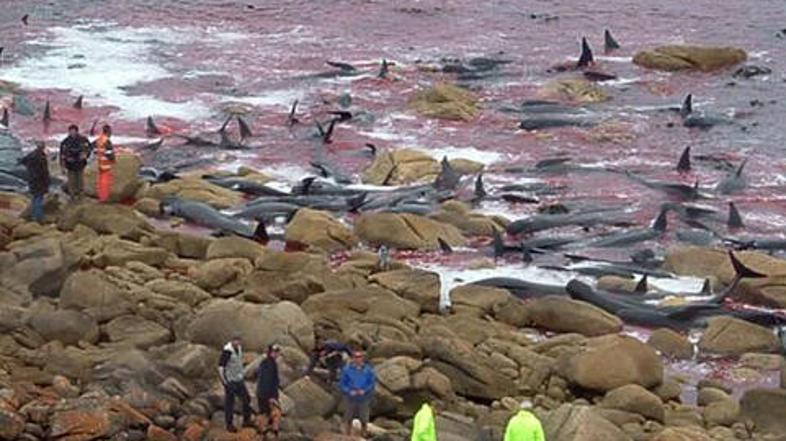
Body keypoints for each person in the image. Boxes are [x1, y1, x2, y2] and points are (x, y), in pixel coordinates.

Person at [218, 335, 253, 432]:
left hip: (239, 379)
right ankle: (229, 425)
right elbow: (221, 367)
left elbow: (239, 361)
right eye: (236, 341)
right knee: (230, 403)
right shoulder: (227, 351)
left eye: (239, 341)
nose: (237, 343)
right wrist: (224, 381)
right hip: (230, 381)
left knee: (247, 398)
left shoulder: (239, 348)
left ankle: (247, 420)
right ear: (232, 341)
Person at [339, 350, 376, 437]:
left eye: (359, 357)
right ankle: (347, 434)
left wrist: (365, 390)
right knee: (348, 417)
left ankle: (364, 433)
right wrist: (349, 391)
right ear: (353, 358)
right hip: (351, 397)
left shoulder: (368, 370)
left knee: (364, 417)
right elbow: (342, 383)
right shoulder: (347, 370)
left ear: (362, 358)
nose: (357, 359)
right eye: (355, 357)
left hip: (364, 397)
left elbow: (372, 383)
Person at [19, 141, 50, 222]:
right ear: (43, 147)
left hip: (31, 179)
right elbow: (44, 171)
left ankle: (33, 215)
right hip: (39, 180)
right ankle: (39, 217)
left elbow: (22, 161)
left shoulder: (31, 155)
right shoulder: (41, 157)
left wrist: (29, 168)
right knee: (39, 198)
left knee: (34, 198)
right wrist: (47, 182)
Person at [59, 124, 90, 201]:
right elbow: (62, 154)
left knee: (80, 180)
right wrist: (62, 166)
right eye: (70, 131)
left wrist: (85, 155)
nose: (72, 133)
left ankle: (81, 195)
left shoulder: (83, 139)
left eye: (73, 131)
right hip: (70, 165)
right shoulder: (65, 142)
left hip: (80, 164)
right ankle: (72, 196)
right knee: (71, 181)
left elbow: (89, 148)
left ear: (76, 131)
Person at [257, 344, 282, 441]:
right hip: (266, 394)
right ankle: (272, 433)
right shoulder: (269, 364)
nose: (278, 354)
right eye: (276, 352)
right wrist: (271, 397)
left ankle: (264, 433)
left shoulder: (267, 362)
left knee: (265, 413)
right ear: (272, 352)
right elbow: (267, 380)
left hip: (263, 393)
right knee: (275, 412)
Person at [94, 124, 115, 203]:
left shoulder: (99, 139)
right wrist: (113, 160)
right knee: (105, 182)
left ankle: (101, 196)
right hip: (106, 164)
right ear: (108, 132)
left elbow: (95, 150)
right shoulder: (107, 141)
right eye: (110, 131)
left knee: (100, 181)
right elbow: (109, 153)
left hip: (100, 163)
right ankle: (104, 198)